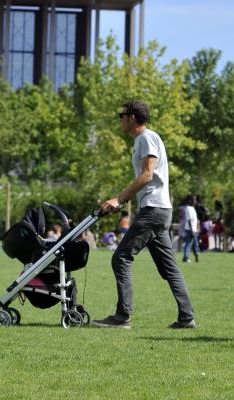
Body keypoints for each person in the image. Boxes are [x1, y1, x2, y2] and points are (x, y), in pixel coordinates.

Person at [93, 100, 195, 330]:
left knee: (121, 257)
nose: (119, 119)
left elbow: (148, 175)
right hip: (160, 209)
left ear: (131, 117)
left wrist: (118, 199)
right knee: (169, 267)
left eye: (121, 115)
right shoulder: (145, 139)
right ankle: (187, 317)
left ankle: (122, 316)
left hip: (153, 209)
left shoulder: (146, 138)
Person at [182, 195, 200, 263]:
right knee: (189, 244)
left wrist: (197, 228)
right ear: (189, 200)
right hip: (190, 230)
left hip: (194, 229)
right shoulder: (188, 208)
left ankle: (196, 257)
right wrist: (192, 231)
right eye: (193, 200)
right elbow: (189, 220)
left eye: (195, 200)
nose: (195, 201)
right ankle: (186, 258)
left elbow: (195, 220)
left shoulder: (193, 208)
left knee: (195, 244)